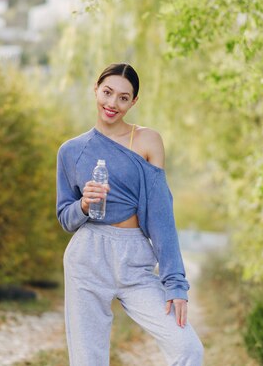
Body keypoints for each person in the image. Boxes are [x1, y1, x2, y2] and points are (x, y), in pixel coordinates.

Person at [56, 63, 204, 365]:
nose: (112, 104)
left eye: (123, 98)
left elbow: (161, 216)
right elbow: (65, 217)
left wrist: (175, 282)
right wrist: (84, 205)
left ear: (133, 102)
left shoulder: (147, 141)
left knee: (187, 347)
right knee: (88, 360)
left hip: (135, 260)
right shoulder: (71, 151)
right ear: (95, 89)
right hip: (87, 256)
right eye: (107, 93)